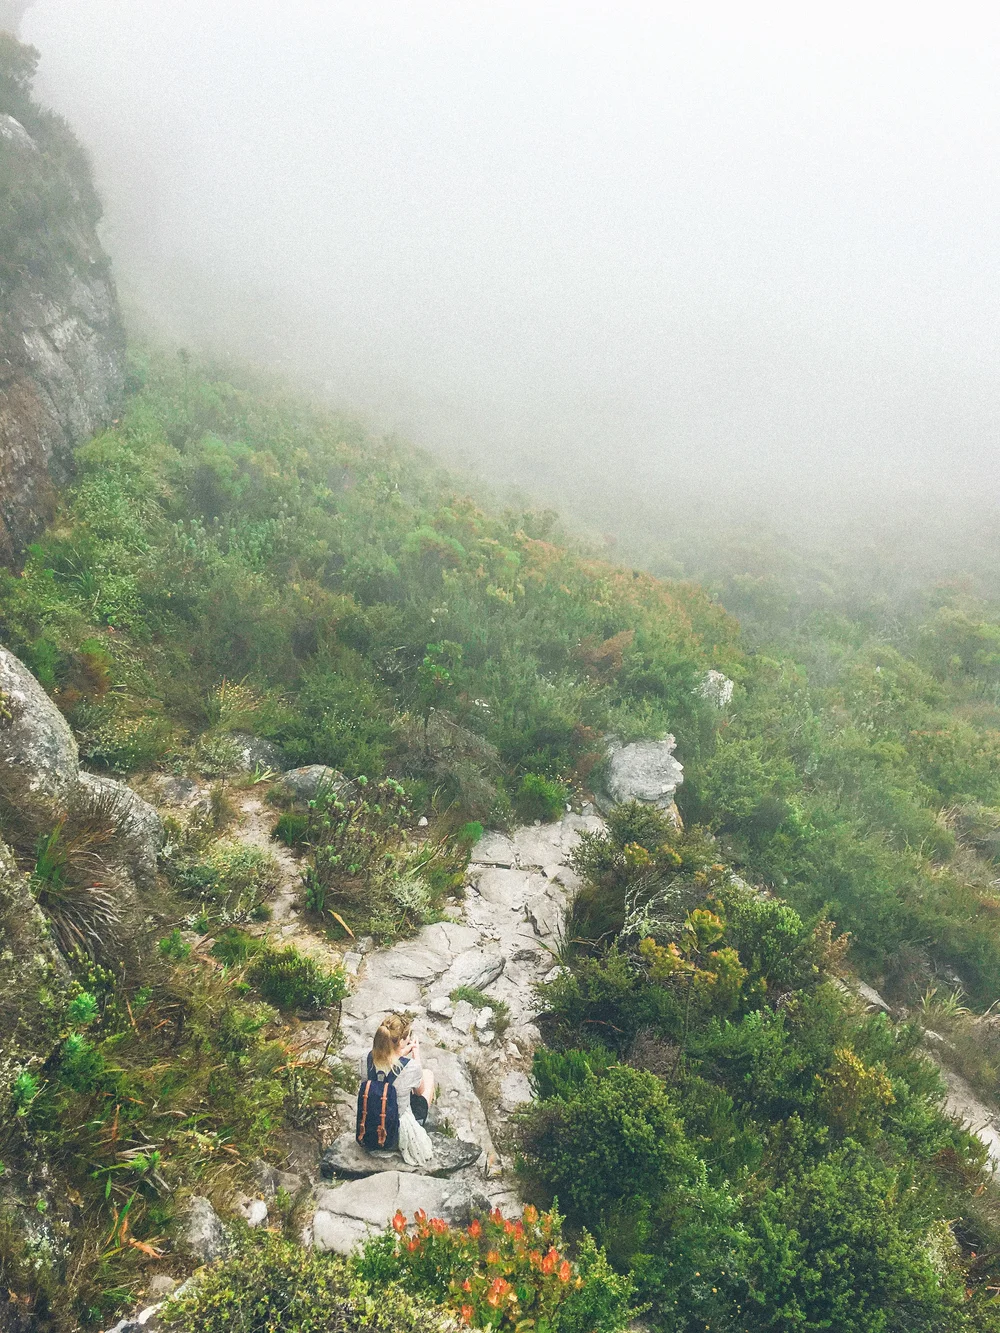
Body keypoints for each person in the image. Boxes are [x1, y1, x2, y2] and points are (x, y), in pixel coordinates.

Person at [357, 1012, 436, 1167]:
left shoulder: (365, 1059)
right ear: (401, 1042)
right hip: (396, 1133)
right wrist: (416, 1055)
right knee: (428, 1075)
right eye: (406, 1039)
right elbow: (419, 1093)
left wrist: (399, 1053)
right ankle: (421, 1122)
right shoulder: (411, 1067)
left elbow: (386, 1064)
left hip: (372, 1126)